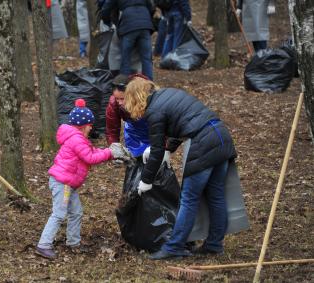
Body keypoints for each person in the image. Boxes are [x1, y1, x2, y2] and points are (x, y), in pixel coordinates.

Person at [123, 77, 237, 260]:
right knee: (216, 196)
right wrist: (168, 148)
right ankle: (214, 244)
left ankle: (174, 246)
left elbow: (157, 150)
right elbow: (184, 122)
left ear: (136, 97)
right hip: (221, 136)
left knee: (188, 199)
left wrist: (146, 180)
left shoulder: (153, 110)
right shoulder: (168, 94)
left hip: (204, 143)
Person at [36, 99, 129, 259]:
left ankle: (73, 241)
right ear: (82, 125)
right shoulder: (76, 139)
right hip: (63, 184)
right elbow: (90, 157)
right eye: (90, 125)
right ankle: (43, 245)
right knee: (59, 214)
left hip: (68, 184)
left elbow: (91, 151)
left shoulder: (78, 138)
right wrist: (110, 153)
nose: (92, 127)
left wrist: (107, 152)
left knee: (76, 212)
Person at [101, 0, 155, 80]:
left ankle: (124, 84)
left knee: (126, 57)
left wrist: (107, 22)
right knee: (146, 58)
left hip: (128, 25)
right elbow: (151, 7)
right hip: (145, 26)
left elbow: (106, 8)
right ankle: (150, 85)